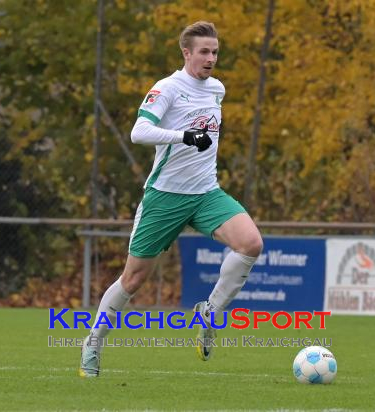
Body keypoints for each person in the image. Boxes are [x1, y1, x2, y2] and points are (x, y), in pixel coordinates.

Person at [80, 21, 263, 378]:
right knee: (132, 280)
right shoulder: (167, 88)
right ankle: (93, 342)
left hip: (206, 193)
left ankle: (210, 312)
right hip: (165, 196)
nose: (211, 58)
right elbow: (138, 131)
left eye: (215, 52)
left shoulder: (217, 89)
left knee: (251, 243)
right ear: (187, 53)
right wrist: (184, 136)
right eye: (204, 51)